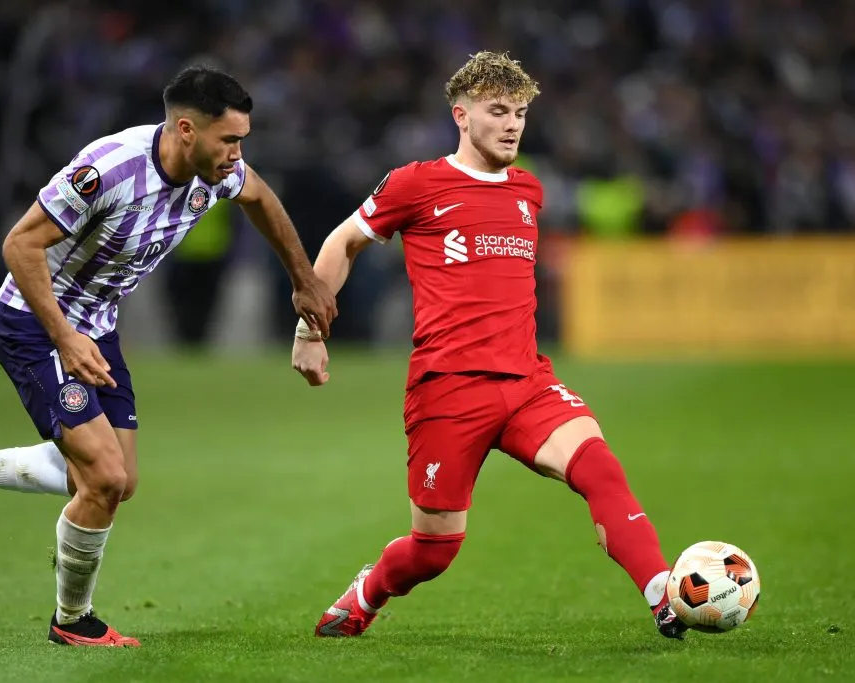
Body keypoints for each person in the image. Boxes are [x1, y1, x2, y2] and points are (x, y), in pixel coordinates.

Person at [0, 65, 337, 647]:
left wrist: (303, 280)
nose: (237, 153)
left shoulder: (218, 170)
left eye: (242, 140)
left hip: (95, 327)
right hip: (35, 324)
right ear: (186, 129)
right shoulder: (111, 168)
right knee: (101, 477)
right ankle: (72, 622)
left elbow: (259, 196)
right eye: (229, 140)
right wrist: (64, 337)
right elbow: (19, 244)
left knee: (117, 480)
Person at [291, 52, 687, 640]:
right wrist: (311, 330)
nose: (512, 125)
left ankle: (666, 596)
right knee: (434, 550)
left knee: (601, 469)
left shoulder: (529, 189)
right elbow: (343, 241)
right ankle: (367, 592)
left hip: (528, 381)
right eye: (498, 111)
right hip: (448, 391)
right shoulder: (417, 184)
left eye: (521, 113)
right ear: (461, 115)